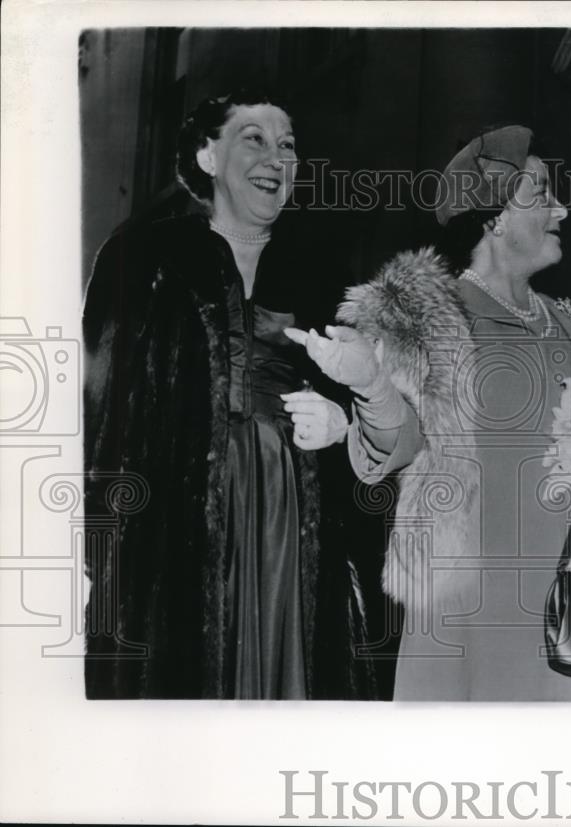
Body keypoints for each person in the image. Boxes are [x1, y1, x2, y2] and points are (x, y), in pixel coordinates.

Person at [288, 125, 571, 701]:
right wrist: (369, 383)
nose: (562, 209)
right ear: (495, 215)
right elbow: (396, 441)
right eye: (542, 193)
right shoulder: (430, 323)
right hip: (474, 625)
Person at [83, 90, 375, 699]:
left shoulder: (327, 276)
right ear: (208, 156)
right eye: (254, 139)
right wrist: (105, 554)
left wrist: (343, 424)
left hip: (293, 525)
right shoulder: (141, 259)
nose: (276, 158)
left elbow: (377, 418)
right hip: (173, 530)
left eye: (287, 145)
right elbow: (100, 415)